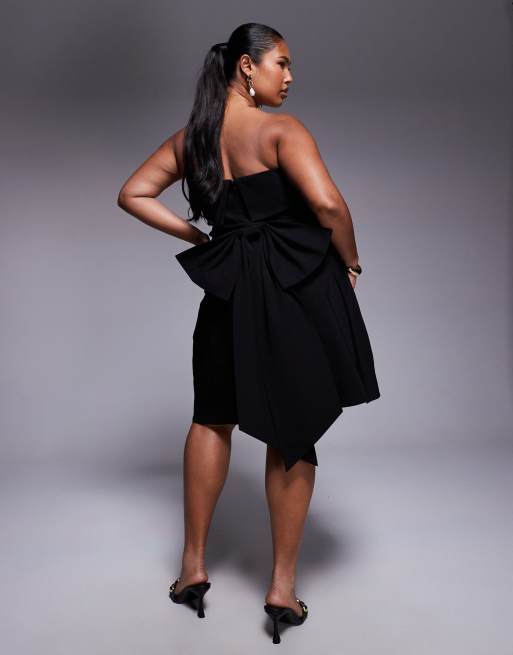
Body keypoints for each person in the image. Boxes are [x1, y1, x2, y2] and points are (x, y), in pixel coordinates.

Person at [117, 22, 380, 645]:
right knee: (293, 427)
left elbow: (134, 193)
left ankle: (192, 569)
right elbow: (329, 206)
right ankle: (282, 590)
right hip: (291, 294)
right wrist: (351, 260)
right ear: (246, 67)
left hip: (228, 291)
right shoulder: (281, 131)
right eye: (281, 63)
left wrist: (203, 238)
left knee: (211, 418)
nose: (288, 77)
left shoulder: (194, 140)